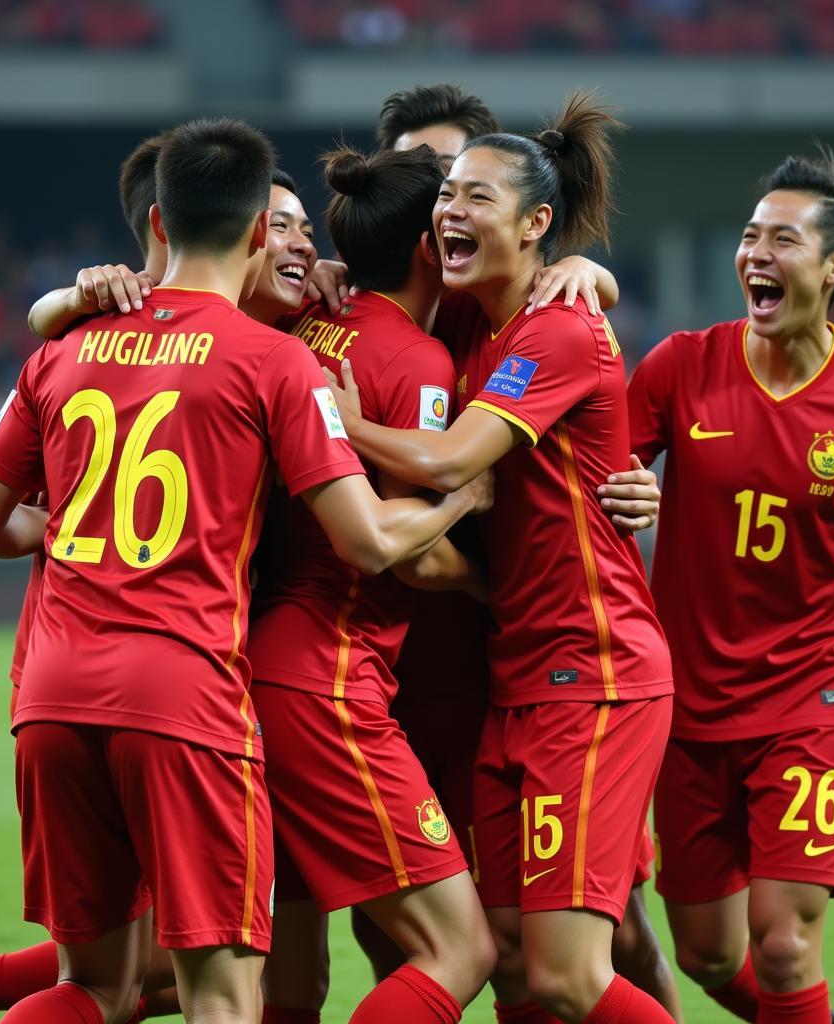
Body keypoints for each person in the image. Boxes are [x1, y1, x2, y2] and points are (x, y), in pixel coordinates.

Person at [0, 117, 488, 1024]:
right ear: (248, 233)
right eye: (280, 227)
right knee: (227, 994)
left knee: (96, 985)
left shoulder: (65, 343)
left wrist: (73, 530)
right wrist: (460, 503)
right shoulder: (276, 359)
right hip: (188, 695)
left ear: (158, 226)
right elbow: (366, 540)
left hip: (49, 687)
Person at [326, 91, 676, 1024]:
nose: (447, 208)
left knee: (581, 959)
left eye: (471, 192)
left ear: (535, 224)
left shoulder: (552, 321)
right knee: (507, 951)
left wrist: (346, 423)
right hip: (495, 665)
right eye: (441, 193)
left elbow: (449, 459)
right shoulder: (463, 322)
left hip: (587, 668)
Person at [601, 146, 834, 1024]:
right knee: (709, 955)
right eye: (750, 236)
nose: (756, 254)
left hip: (811, 693)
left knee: (785, 944)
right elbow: (590, 479)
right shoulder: (680, 367)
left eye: (782, 240)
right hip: (683, 703)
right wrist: (627, 493)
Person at [249, 142, 498, 1024]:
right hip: (328, 679)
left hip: (249, 672)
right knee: (461, 946)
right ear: (431, 245)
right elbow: (409, 549)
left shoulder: (295, 324)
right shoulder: (419, 363)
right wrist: (490, 583)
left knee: (283, 980)